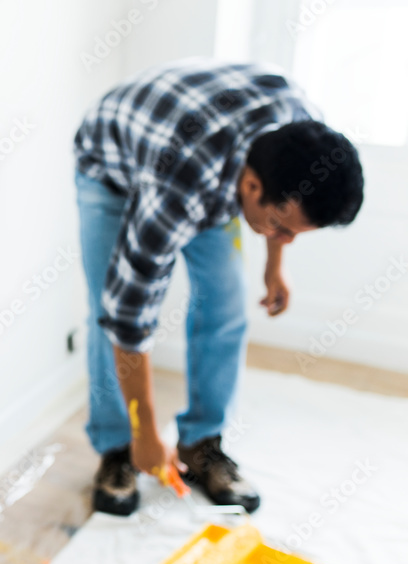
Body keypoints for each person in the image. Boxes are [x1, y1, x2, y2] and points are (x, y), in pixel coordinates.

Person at [73, 58, 364, 516]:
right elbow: (127, 317)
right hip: (113, 161)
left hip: (204, 153)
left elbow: (283, 210)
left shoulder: (307, 137)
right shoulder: (178, 192)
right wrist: (147, 432)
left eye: (293, 233)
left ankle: (202, 444)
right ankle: (119, 448)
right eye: (278, 228)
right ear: (250, 186)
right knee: (106, 308)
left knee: (227, 305)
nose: (282, 238)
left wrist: (274, 264)